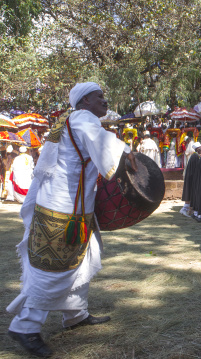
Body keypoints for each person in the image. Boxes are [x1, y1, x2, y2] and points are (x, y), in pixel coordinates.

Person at [6, 82, 138, 358]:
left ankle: (75, 313)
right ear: (85, 101)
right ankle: (25, 326)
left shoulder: (68, 119)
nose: (104, 100)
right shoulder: (82, 118)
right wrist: (125, 152)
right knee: (53, 267)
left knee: (81, 258)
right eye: (98, 96)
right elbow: (101, 143)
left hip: (67, 204)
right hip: (64, 208)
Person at [180, 142, 201, 217]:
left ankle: (187, 209)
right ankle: (186, 209)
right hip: (192, 178)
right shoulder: (195, 156)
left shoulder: (195, 155)